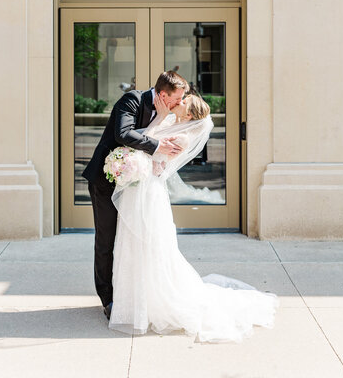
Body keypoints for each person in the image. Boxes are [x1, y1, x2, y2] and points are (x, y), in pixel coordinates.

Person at [108, 94, 280, 343]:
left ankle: (152, 302)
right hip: (139, 188)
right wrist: (159, 121)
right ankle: (135, 301)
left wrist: (140, 158)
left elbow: (157, 161)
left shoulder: (181, 137)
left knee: (150, 244)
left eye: (185, 101)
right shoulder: (169, 123)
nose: (181, 100)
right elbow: (143, 141)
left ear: (188, 115)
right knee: (133, 244)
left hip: (150, 191)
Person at [82, 70, 190, 320]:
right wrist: (158, 145)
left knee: (132, 239)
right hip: (106, 179)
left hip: (135, 186)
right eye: (177, 98)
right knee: (107, 239)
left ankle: (129, 293)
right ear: (163, 95)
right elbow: (123, 134)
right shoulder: (131, 100)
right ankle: (107, 298)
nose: (179, 103)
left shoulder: (168, 115)